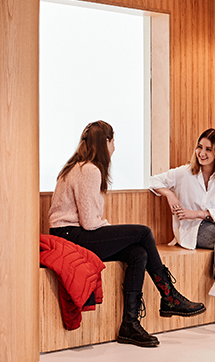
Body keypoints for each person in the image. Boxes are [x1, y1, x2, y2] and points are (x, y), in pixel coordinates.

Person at [48, 120, 206, 347]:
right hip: (72, 235)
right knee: (143, 232)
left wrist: (114, 233)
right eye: (113, 141)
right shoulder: (90, 170)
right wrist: (112, 230)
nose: (114, 147)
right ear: (106, 142)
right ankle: (169, 295)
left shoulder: (77, 166)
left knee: (137, 253)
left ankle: (129, 324)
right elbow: (90, 223)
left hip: (67, 234)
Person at [149, 128, 215, 328]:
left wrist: (197, 213)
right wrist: (169, 194)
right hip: (193, 232)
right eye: (200, 147)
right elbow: (152, 181)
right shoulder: (184, 173)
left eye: (208, 149)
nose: (202, 153)